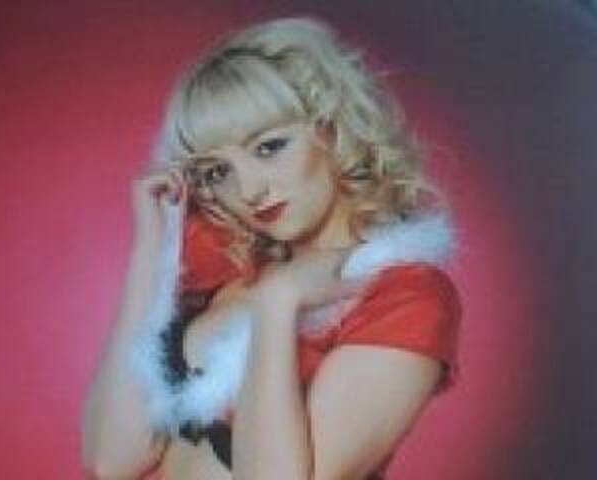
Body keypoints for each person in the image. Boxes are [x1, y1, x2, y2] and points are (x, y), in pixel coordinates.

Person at [82, 16, 462, 480]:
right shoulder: (227, 266)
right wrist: (154, 249)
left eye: (269, 147)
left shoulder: (404, 297)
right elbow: (112, 460)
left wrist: (277, 304)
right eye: (217, 171)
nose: (249, 190)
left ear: (333, 127)